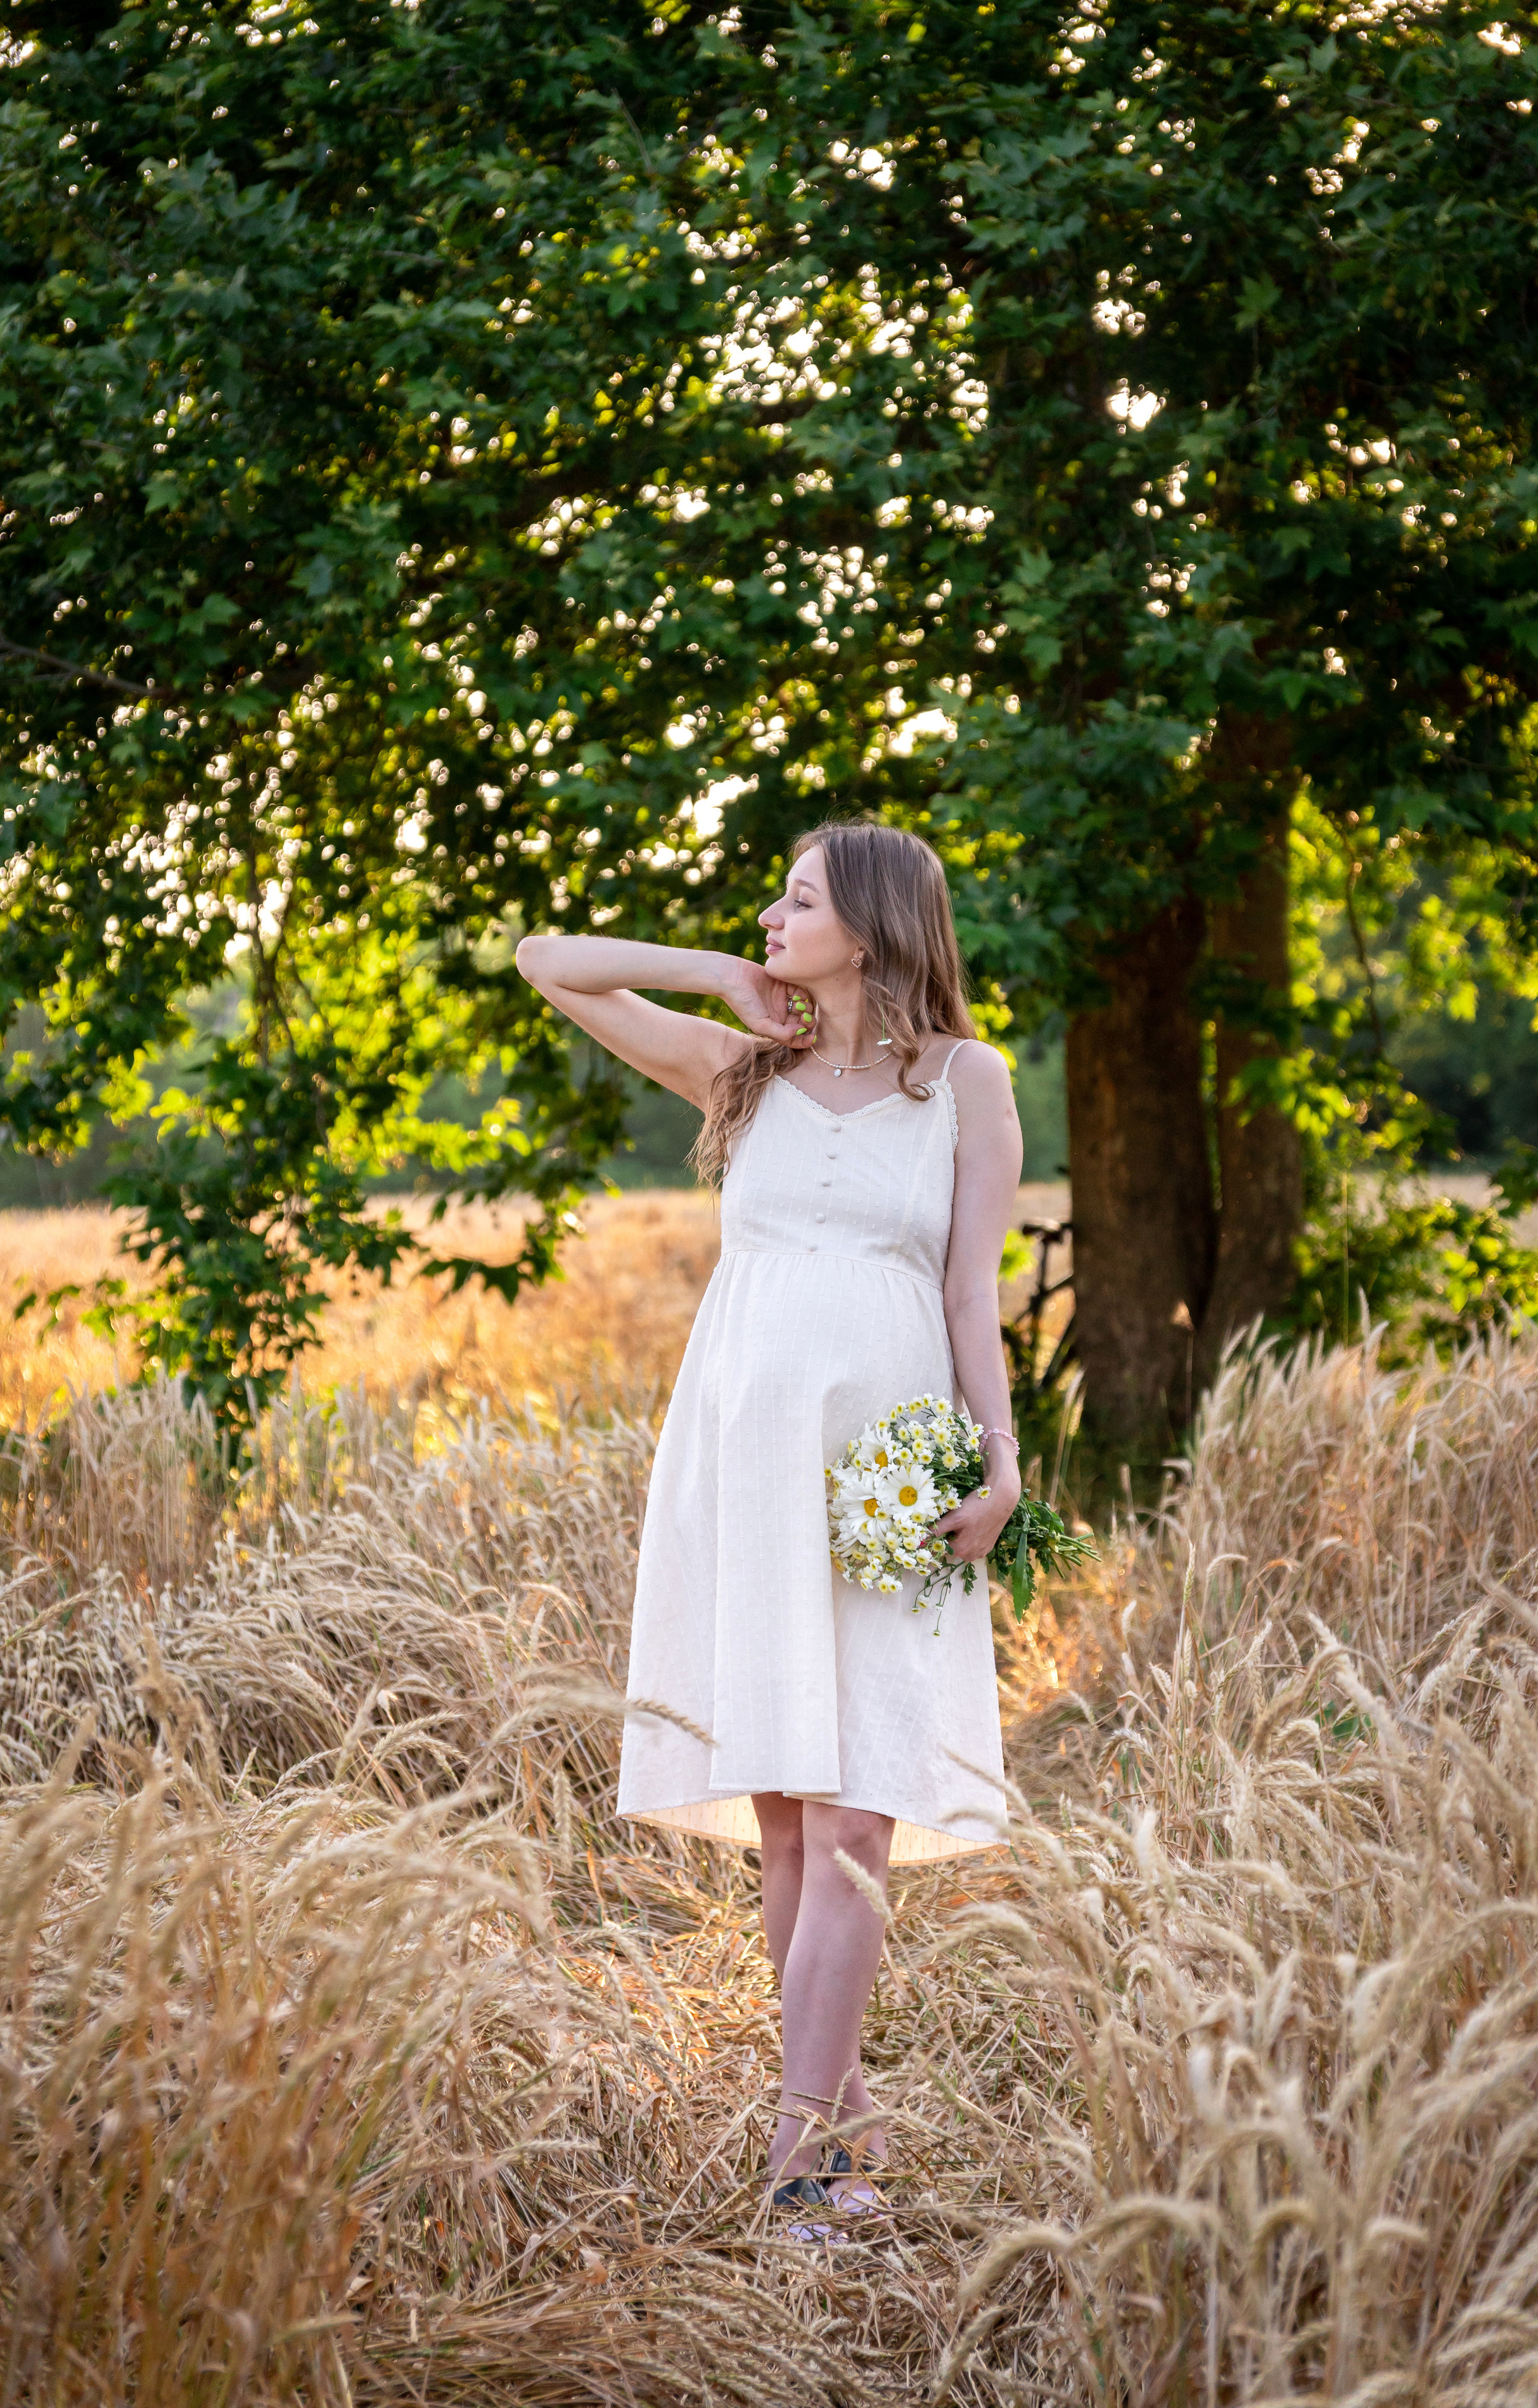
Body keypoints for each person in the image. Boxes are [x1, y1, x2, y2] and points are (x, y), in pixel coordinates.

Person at [516, 819, 1023, 2237]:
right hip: (742, 1455)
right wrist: (719, 973)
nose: (774, 911)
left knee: (859, 1809)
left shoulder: (963, 1084)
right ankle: (839, 2139)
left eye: (797, 898)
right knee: (790, 1820)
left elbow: (967, 1294)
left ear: (869, 922)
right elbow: (544, 962)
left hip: (890, 1464)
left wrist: (1001, 1464)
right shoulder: (744, 1069)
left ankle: (796, 2162)